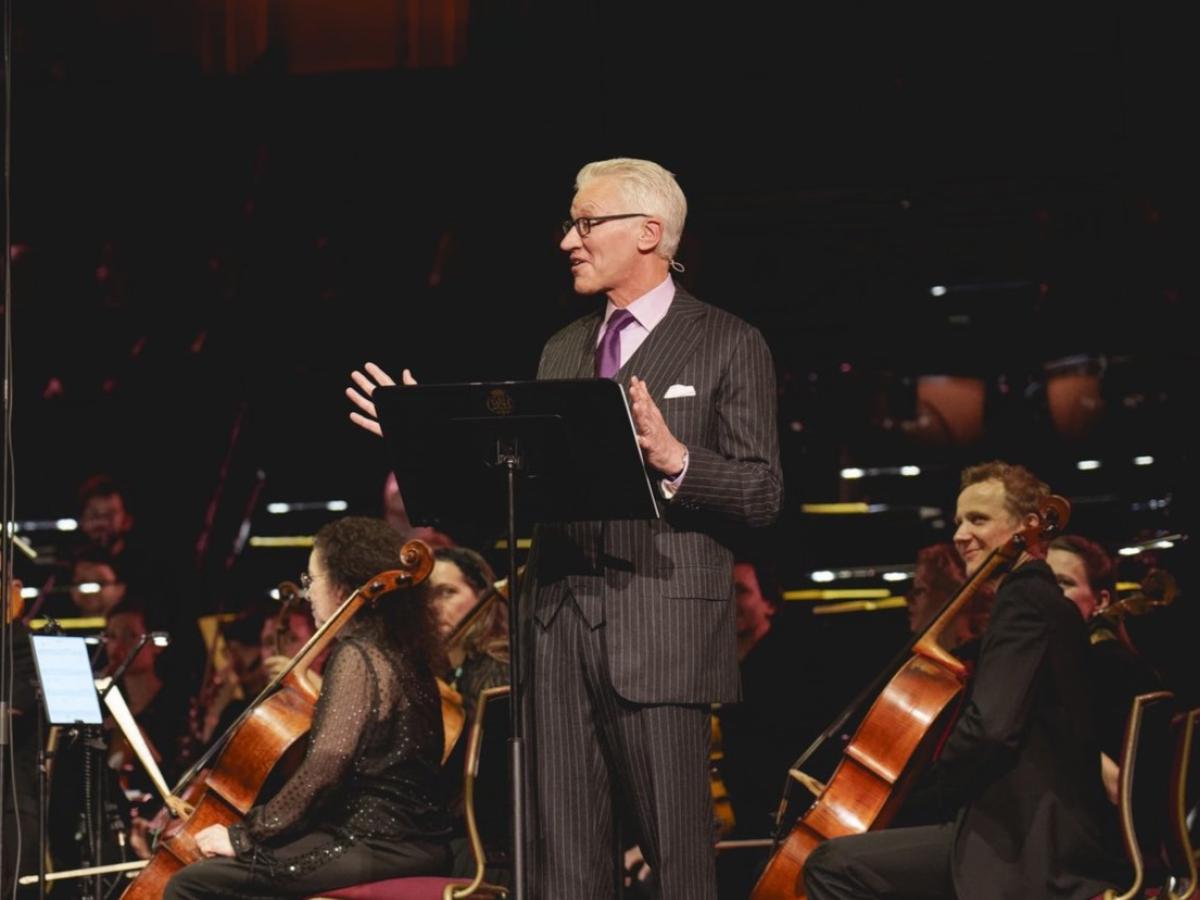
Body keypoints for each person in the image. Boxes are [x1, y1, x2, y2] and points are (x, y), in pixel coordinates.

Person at [347, 157, 783, 899]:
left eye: (587, 224)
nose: (567, 241)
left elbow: (764, 492)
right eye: (569, 224)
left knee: (679, 865)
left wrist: (677, 457)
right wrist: (426, 442)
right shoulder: (562, 347)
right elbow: (515, 492)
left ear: (651, 232)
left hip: (660, 636)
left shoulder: (727, 342)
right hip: (553, 635)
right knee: (564, 870)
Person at [803, 460, 1115, 900]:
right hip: (1037, 832)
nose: (959, 533)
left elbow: (991, 730)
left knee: (832, 865)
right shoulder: (1046, 602)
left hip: (1023, 846)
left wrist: (923, 789)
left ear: (1028, 526)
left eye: (978, 518)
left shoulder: (1024, 599)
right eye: (958, 520)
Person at [163, 516, 453, 899]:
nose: (307, 594)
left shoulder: (358, 654)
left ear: (342, 586)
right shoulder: (403, 653)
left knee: (192, 883)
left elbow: (325, 768)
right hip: (414, 844)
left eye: (312, 581)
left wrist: (246, 836)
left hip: (375, 844)